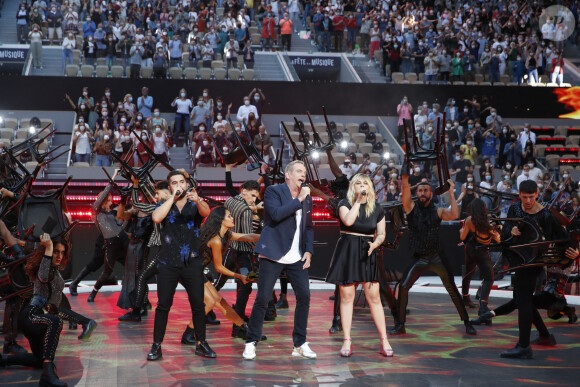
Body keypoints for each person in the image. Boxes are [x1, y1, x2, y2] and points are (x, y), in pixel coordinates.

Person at [495, 180, 578, 359]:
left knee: (523, 301)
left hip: (535, 262)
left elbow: (563, 237)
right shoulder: (515, 209)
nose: (528, 201)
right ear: (520, 195)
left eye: (531, 197)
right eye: (524, 197)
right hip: (518, 260)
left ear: (537, 193)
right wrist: (512, 231)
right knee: (522, 300)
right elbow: (505, 233)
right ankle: (545, 336)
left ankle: (523, 346)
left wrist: (575, 251)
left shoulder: (546, 215)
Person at [389, 165, 477, 336]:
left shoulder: (437, 210)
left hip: (436, 257)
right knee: (404, 286)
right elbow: (405, 186)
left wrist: (451, 192)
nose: (422, 193)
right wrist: (406, 171)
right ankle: (400, 325)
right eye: (420, 190)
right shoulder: (410, 208)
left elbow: (454, 215)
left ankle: (467, 322)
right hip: (419, 258)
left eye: (425, 190)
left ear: (431, 194)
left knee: (451, 288)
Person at [243, 160, 315, 360]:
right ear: (288, 175)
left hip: (296, 256)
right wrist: (298, 199)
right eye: (299, 171)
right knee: (263, 298)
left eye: (305, 172)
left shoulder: (306, 198)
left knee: (305, 297)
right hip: (273, 252)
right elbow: (274, 215)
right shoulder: (274, 191)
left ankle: (300, 343)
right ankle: (251, 341)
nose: (303, 174)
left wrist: (308, 251)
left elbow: (308, 227)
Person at [147, 170, 215, 360]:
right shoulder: (164, 204)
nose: (179, 185)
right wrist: (172, 198)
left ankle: (201, 343)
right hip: (168, 262)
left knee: (198, 305)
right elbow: (156, 218)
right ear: (170, 187)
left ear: (187, 184)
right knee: (163, 305)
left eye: (182, 182)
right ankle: (156, 345)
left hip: (192, 261)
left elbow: (205, 212)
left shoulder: (195, 204)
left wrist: (198, 199)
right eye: (175, 183)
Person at [325, 174, 393, 357]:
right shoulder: (344, 204)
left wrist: (376, 244)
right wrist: (357, 201)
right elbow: (348, 221)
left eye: (365, 183)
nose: (362, 186)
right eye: (358, 183)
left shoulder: (377, 209)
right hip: (348, 250)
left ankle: (384, 339)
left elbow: (381, 233)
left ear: (370, 187)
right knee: (347, 298)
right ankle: (347, 340)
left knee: (374, 298)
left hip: (367, 251)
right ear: (352, 187)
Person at [0, 234, 67, 386]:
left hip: (39, 320)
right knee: (56, 321)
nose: (59, 256)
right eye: (56, 251)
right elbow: (43, 276)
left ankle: (4, 360)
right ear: (49, 251)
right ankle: (47, 376)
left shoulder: (54, 269)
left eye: (62, 252)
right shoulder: (45, 266)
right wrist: (48, 247)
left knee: (39, 359)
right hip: (31, 316)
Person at [225, 179, 261, 338]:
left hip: (231, 250)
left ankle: (238, 321)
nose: (254, 200)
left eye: (256, 197)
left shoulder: (229, 201)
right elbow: (248, 237)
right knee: (246, 287)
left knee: (242, 285)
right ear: (244, 191)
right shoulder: (246, 210)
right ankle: (238, 325)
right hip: (244, 255)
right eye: (252, 195)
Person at [87, 173, 129, 302]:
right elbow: (104, 194)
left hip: (122, 240)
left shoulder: (112, 213)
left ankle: (131, 292)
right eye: (109, 200)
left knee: (131, 266)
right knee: (107, 272)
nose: (111, 203)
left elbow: (120, 226)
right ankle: (93, 292)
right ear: (104, 201)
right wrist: (113, 178)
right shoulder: (96, 211)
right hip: (111, 244)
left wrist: (126, 219)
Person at [459, 198, 500, 315]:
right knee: (489, 278)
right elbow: (498, 239)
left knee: (468, 273)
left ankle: (465, 298)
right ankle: (483, 305)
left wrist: (461, 230)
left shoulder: (469, 220)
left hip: (471, 250)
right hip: (482, 252)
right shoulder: (489, 223)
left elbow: (462, 237)